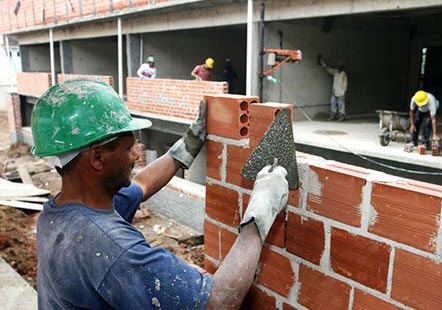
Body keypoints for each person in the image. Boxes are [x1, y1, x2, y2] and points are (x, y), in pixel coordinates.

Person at [31, 79, 289, 309]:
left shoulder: (59, 214)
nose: (135, 155)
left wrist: (187, 146)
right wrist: (262, 208)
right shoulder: (112, 248)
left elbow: (142, 184)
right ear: (97, 157)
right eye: (129, 147)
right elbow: (217, 302)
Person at [318, 54, 348, 121]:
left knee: (341, 105)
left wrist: (344, 92)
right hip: (334, 92)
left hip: (341, 92)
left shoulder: (344, 74)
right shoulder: (335, 72)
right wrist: (322, 61)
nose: (337, 67)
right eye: (337, 66)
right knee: (333, 104)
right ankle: (333, 117)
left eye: (339, 66)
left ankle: (342, 117)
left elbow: (345, 85)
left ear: (342, 67)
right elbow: (327, 68)